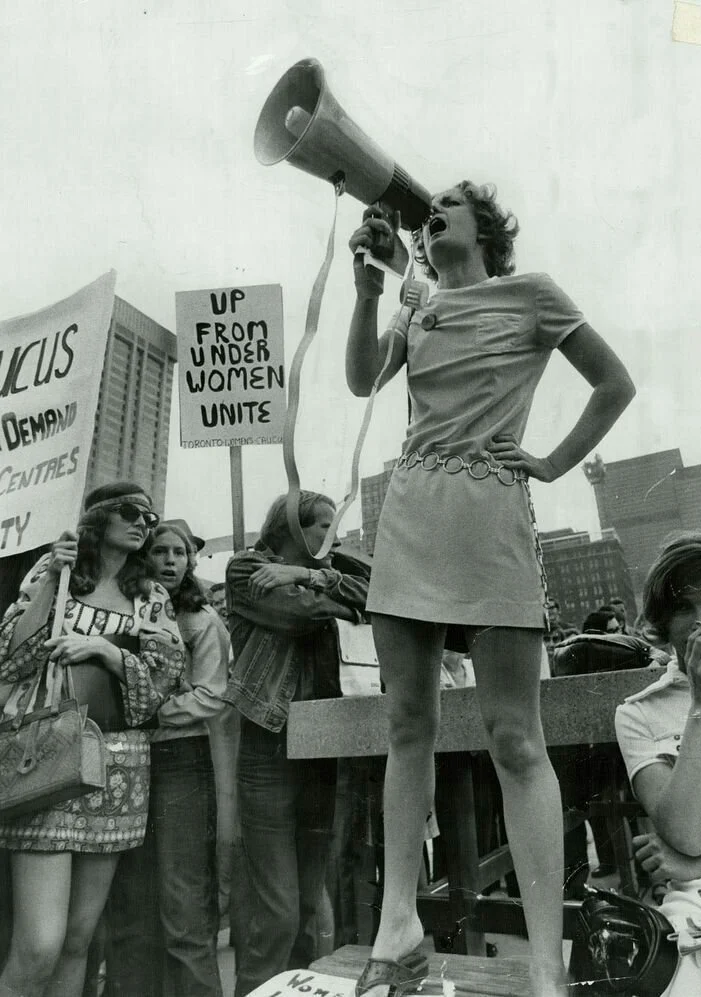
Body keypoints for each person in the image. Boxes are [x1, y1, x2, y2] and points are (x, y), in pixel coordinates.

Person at [345, 181, 635, 997]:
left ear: (487, 228)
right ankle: (397, 926)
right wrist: (367, 294)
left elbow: (614, 383)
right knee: (408, 723)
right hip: (411, 515)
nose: (430, 213)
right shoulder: (418, 304)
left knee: (516, 737)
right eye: (428, 209)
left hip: (491, 515)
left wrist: (551, 463)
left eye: (449, 202)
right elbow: (362, 379)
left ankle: (545, 965)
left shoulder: (533, 293)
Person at [0, 482, 185, 997]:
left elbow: (164, 680)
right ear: (97, 517)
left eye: (149, 517)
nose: (143, 523)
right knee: (39, 945)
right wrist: (50, 580)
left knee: (79, 939)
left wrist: (105, 650)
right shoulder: (53, 571)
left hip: (120, 768)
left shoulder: (151, 595)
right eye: (130, 511)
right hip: (46, 756)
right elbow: (8, 658)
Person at [224, 490, 370, 997]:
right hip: (269, 744)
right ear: (290, 526)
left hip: (322, 747)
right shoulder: (246, 568)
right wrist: (336, 599)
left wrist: (309, 575)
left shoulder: (323, 569)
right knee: (278, 911)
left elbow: (379, 592)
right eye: (322, 525)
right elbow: (299, 615)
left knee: (308, 906)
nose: (333, 533)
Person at [101, 519, 230, 997]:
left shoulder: (201, 619)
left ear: (190, 561)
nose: (170, 561)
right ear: (144, 557)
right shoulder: (128, 611)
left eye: (179, 553)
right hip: (129, 758)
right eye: (160, 552)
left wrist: (151, 710)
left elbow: (212, 695)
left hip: (180, 758)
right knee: (131, 897)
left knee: (183, 899)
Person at [615, 532, 701, 996]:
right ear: (664, 620)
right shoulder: (638, 715)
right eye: (685, 608)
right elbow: (685, 833)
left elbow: (691, 853)